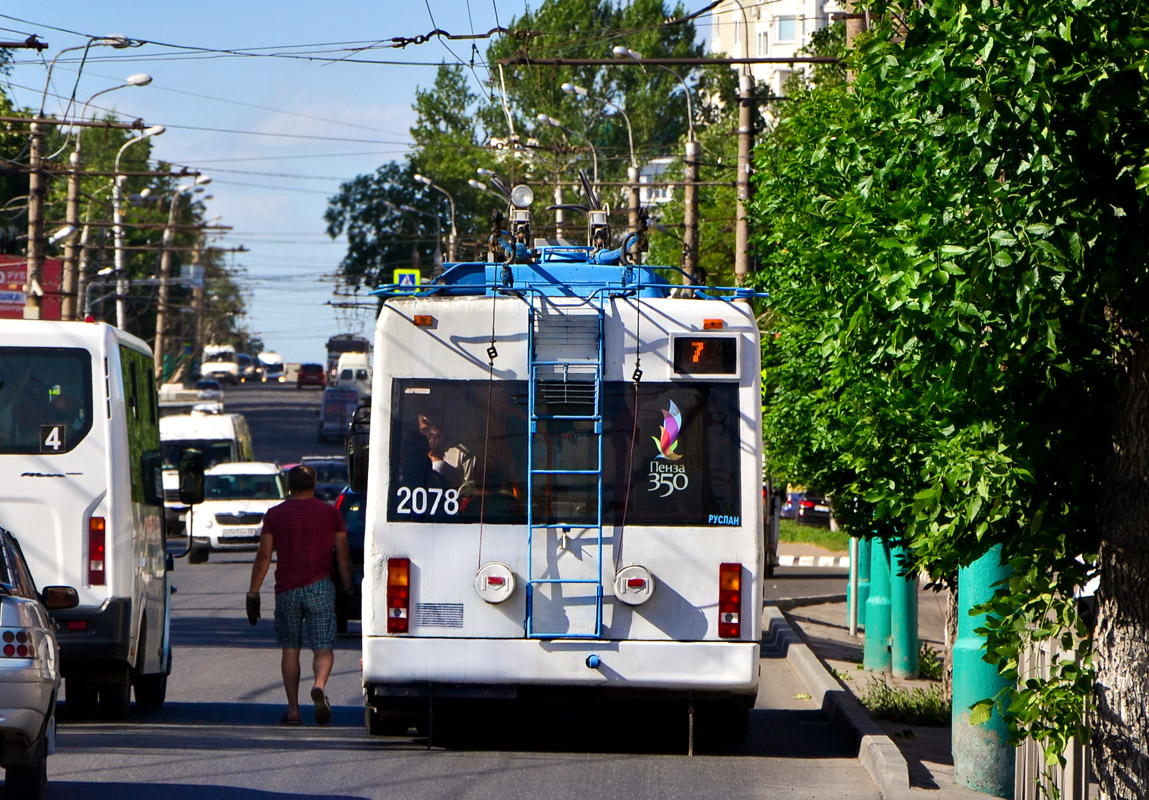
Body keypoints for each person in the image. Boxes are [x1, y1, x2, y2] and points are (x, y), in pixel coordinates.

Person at [247, 464, 352, 726]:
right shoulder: (331, 514)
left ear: (289, 486)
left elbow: (264, 556)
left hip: (287, 590)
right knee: (323, 647)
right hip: (320, 587)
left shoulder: (275, 515)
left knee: (290, 650)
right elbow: (342, 555)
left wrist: (253, 591)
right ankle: (318, 685)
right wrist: (348, 588)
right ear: (314, 484)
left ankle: (293, 710)